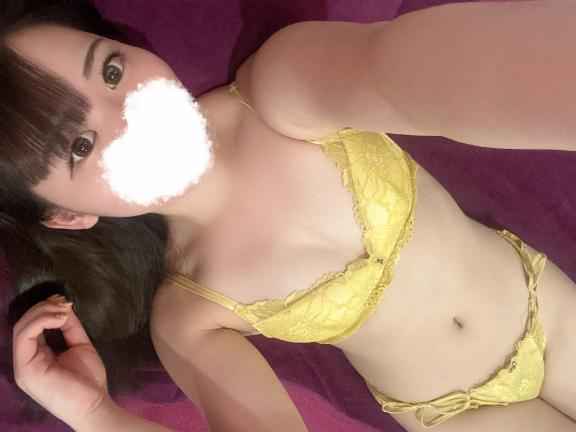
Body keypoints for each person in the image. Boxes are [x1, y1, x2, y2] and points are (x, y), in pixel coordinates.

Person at [1, 0, 575, 431]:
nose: (129, 113)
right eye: (80, 146)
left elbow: (437, 72)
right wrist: (96, 414)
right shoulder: (188, 313)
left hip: (547, 309)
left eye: (111, 71)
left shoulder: (277, 90)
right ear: (68, 216)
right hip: (453, 414)